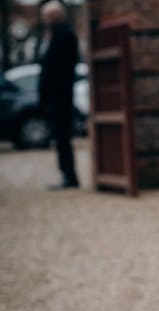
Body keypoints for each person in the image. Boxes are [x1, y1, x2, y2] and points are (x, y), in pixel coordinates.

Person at [38, 0, 80, 189]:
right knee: (61, 137)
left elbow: (60, 70)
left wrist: (51, 92)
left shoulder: (63, 36)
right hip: (57, 95)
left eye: (47, 16)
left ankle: (69, 176)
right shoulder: (57, 35)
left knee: (63, 137)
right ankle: (67, 174)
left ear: (55, 17)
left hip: (60, 96)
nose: (45, 20)